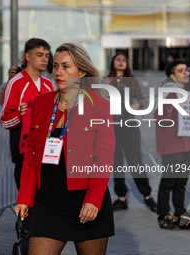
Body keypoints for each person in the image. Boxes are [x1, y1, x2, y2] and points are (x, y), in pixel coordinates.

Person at [14, 42, 115, 254]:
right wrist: (24, 197)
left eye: (66, 67)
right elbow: (31, 156)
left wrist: (94, 200)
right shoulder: (40, 103)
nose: (58, 72)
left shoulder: (100, 106)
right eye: (56, 66)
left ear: (82, 71)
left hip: (86, 201)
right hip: (47, 202)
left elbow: (104, 158)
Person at [106, 52, 157, 212]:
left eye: (124, 60)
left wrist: (137, 105)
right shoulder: (107, 81)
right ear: (113, 63)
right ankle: (121, 198)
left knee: (135, 161)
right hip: (112, 125)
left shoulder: (132, 81)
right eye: (118, 60)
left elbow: (144, 100)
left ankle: (147, 196)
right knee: (117, 161)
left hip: (129, 124)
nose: (121, 62)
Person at [154, 59, 190, 229]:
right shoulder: (168, 92)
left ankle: (180, 212)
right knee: (168, 181)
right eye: (181, 70)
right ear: (172, 76)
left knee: (181, 181)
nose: (185, 73)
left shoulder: (189, 94)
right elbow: (160, 118)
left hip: (187, 144)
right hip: (172, 145)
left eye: (186, 69)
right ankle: (163, 215)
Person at [1, 38, 54, 189]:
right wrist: (20, 115)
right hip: (24, 154)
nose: (45, 59)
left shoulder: (48, 84)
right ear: (28, 57)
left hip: (46, 153)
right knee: (27, 205)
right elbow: (4, 121)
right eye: (39, 54)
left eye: (47, 55)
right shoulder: (15, 83)